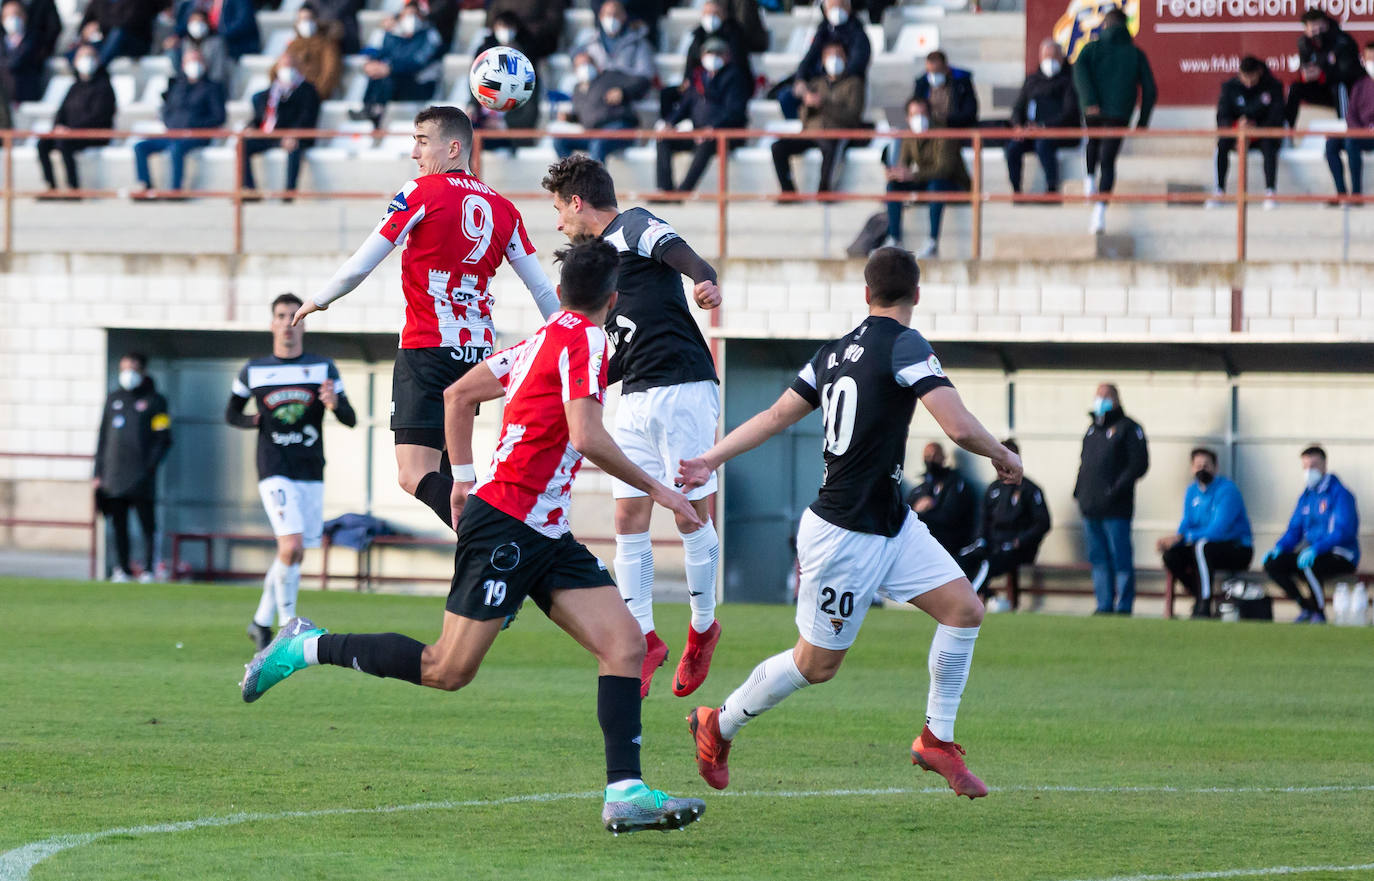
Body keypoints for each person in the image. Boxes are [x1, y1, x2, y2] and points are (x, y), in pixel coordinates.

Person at [241, 240, 707, 836]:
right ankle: (305, 646)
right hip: (508, 523)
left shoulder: (540, 340)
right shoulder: (589, 342)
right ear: (612, 301)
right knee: (447, 668)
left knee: (624, 645)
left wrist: (461, 479)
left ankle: (625, 793)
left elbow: (457, 394)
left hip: (543, 529)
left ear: (560, 293)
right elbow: (586, 436)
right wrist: (662, 491)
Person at [680, 246, 1021, 799]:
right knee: (815, 666)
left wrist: (708, 459)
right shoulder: (906, 344)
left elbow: (774, 416)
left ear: (866, 294)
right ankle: (718, 723)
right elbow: (957, 427)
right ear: (917, 293)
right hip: (843, 535)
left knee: (964, 609)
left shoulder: (832, 353)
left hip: (892, 523)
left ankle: (936, 738)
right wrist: (1003, 455)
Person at [291, 106, 559, 532]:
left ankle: (501, 537)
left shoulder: (421, 191)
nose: (414, 153)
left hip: (427, 348)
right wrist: (568, 337)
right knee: (453, 477)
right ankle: (487, 561)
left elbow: (363, 264)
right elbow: (542, 289)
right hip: (475, 354)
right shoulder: (504, 208)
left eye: (421, 142)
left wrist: (319, 300)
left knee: (413, 473)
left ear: (452, 148)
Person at [541, 155, 724, 700]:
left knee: (691, 514)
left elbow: (683, 254)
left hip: (683, 384)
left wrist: (705, 280)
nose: (557, 222)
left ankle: (702, 627)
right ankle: (644, 639)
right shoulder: (596, 263)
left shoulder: (633, 225)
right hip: (637, 393)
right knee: (627, 516)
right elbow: (621, 348)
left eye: (558, 208)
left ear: (578, 202)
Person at [228, 293, 356, 650]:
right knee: (291, 544)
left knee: (294, 552)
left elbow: (350, 418)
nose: (287, 322)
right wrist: (253, 420)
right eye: (281, 316)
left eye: (293, 316)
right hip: (273, 467)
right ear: (272, 323)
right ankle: (288, 625)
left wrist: (334, 404)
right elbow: (231, 412)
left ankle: (260, 622)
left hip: (310, 469)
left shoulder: (323, 368)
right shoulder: (253, 370)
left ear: (303, 324)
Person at [1072, 8, 1156, 235]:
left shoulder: (1091, 48)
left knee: (1093, 143)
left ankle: (1090, 182)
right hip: (1119, 114)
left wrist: (1089, 100)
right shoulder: (1135, 54)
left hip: (1093, 112)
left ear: (1106, 25)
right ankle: (1099, 209)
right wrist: (1142, 122)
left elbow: (1078, 70)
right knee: (1108, 160)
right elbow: (1150, 90)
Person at [94, 353, 172, 583]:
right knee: (118, 525)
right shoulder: (113, 399)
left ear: (143, 371)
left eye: (133, 368)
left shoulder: (155, 401)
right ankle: (122, 569)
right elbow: (103, 438)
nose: (128, 373)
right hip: (114, 475)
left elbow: (164, 438)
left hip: (141, 476)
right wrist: (98, 473)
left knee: (147, 525)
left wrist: (150, 467)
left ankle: (149, 569)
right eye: (124, 368)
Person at [1073, 382, 1149, 615]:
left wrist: (1114, 490)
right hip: (1090, 505)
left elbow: (1138, 464)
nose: (1100, 400)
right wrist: (1078, 491)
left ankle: (1124, 606)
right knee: (1098, 558)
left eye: (1105, 395)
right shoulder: (1092, 429)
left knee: (1120, 557)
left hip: (1116, 508)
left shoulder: (1129, 428)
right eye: (1098, 395)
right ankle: (1103, 605)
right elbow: (1084, 464)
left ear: (1116, 398)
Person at [1262, 446, 1360, 624]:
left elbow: (1343, 531)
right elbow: (1295, 530)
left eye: (1313, 466)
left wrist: (1316, 549)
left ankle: (1318, 613)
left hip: (1341, 554)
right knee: (1273, 564)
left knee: (1309, 565)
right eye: (1305, 467)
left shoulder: (1340, 494)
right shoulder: (1306, 497)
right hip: (1313, 553)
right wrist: (1280, 547)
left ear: (1324, 465)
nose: (1309, 471)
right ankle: (1305, 606)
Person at [1156, 448, 1253, 619]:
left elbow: (1218, 530)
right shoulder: (1191, 491)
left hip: (1237, 549)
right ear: (1192, 468)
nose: (1202, 469)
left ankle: (1204, 606)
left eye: (1206, 465)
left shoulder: (1227, 490)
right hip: (1205, 549)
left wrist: (1185, 537)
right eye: (1198, 465)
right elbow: (1187, 522)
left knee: (1202, 546)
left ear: (1216, 467)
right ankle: (1198, 595)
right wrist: (1175, 540)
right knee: (1171, 556)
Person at [957, 438, 1050, 603]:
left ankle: (968, 601)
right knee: (961, 559)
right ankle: (984, 597)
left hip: (1017, 548)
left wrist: (1019, 541)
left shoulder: (1029, 489)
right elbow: (983, 519)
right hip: (992, 544)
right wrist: (981, 540)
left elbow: (1043, 523)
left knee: (987, 564)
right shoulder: (993, 489)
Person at [655, 37, 750, 195]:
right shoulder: (698, 76)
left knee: (706, 144)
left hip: (725, 134)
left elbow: (734, 111)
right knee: (664, 139)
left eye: (718, 53)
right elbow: (685, 105)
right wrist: (670, 123)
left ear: (727, 56)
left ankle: (683, 192)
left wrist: (713, 128)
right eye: (709, 53)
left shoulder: (735, 77)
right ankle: (664, 190)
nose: (713, 57)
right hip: (699, 132)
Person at [773, 41, 865, 197]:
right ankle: (788, 191)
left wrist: (823, 104)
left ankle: (824, 192)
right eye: (830, 55)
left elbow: (852, 117)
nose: (834, 59)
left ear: (846, 58)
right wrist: (807, 105)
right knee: (778, 147)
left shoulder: (854, 84)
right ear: (823, 59)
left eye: (838, 55)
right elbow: (803, 118)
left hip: (835, 133)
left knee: (830, 149)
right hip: (811, 132)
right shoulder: (816, 83)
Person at [131, 48, 227, 197]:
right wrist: (171, 124)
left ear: (204, 64)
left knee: (176, 149)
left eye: (197, 60)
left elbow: (219, 117)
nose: (194, 64)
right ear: (183, 65)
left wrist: (193, 125)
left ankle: (176, 190)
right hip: (173, 133)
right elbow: (166, 110)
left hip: (197, 135)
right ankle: (146, 187)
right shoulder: (177, 86)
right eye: (190, 61)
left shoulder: (212, 87)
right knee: (140, 147)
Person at [884, 96, 969, 259]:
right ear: (907, 118)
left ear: (930, 115)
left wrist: (912, 175)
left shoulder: (943, 134)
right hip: (925, 180)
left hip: (953, 183)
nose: (919, 119)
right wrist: (896, 173)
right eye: (914, 115)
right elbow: (904, 163)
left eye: (922, 114)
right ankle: (894, 239)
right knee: (893, 186)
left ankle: (932, 243)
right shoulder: (909, 135)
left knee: (936, 186)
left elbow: (944, 170)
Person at [37, 44, 115, 197]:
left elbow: (98, 116)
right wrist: (59, 126)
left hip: (93, 134)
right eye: (82, 56)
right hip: (70, 133)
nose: (86, 60)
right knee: (43, 144)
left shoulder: (104, 87)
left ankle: (73, 187)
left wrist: (72, 130)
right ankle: (51, 186)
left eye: (90, 56)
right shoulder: (75, 86)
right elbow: (61, 111)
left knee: (65, 143)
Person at [350, 3, 443, 129]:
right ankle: (368, 108)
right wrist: (373, 64)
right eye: (406, 14)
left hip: (420, 85)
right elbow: (381, 53)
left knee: (387, 76)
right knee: (378, 73)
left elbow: (417, 63)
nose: (410, 18)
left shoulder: (430, 35)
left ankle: (376, 112)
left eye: (413, 14)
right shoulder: (395, 33)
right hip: (396, 83)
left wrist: (390, 68)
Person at [241, 50, 320, 198]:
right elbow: (261, 118)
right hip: (271, 135)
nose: (287, 69)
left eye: (290, 65)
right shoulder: (270, 93)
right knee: (242, 145)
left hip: (296, 136)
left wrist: (293, 134)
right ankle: (249, 189)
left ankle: (289, 192)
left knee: (294, 147)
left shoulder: (308, 91)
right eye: (284, 66)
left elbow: (307, 117)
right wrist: (250, 127)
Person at [1005, 39, 1079, 197]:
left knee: (1043, 144)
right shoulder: (1032, 80)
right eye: (1046, 56)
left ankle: (1051, 189)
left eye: (1053, 56)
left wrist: (1044, 127)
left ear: (1061, 57)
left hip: (1059, 133)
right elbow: (1018, 108)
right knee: (1012, 147)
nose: (1049, 61)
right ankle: (1016, 191)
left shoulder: (1070, 80)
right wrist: (1018, 126)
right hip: (1031, 132)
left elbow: (1070, 113)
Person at [1213, 56, 1283, 211]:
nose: (1249, 83)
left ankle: (1270, 192)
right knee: (1222, 143)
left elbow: (1277, 117)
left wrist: (1255, 127)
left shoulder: (1273, 86)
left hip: (1262, 133)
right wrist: (1237, 126)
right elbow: (1222, 116)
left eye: (1252, 78)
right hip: (1238, 133)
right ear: (1240, 74)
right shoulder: (1230, 87)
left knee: (1269, 144)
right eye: (1245, 78)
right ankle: (1219, 191)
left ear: (1259, 72)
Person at [552, 50, 647, 164]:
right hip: (593, 132)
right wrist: (569, 117)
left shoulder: (610, 76)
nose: (584, 68)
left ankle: (595, 176)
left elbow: (642, 82)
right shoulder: (577, 89)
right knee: (560, 141)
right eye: (580, 65)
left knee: (598, 143)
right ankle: (572, 173)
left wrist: (623, 92)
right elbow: (586, 116)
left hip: (620, 128)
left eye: (587, 63)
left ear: (595, 65)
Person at [781, 0, 869, 119]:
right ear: (826, 10)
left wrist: (832, 78)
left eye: (840, 5)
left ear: (848, 7)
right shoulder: (823, 30)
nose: (837, 10)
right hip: (819, 82)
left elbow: (857, 65)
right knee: (787, 97)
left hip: (845, 84)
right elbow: (809, 58)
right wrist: (800, 79)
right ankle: (806, 125)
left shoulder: (858, 34)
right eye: (833, 6)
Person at [1285, 10, 1361, 128]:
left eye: (1320, 28)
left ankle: (1345, 127)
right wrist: (1306, 74)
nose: (1317, 33)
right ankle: (1287, 128)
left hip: (1348, 90)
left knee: (1339, 87)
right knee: (1295, 87)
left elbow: (1348, 72)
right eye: (1313, 30)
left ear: (1326, 24)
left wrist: (1323, 74)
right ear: (1306, 30)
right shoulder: (1304, 43)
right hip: (1322, 89)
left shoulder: (1342, 41)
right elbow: (1305, 67)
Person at [907, 441, 976, 556]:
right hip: (921, 543)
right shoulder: (920, 488)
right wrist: (919, 511)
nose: (931, 459)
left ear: (944, 457)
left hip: (948, 545)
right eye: (927, 456)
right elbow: (905, 513)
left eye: (935, 455)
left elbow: (949, 517)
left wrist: (923, 512)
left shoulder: (956, 484)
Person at [1324, 41, 1374, 199]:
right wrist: (1358, 130)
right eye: (1368, 58)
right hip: (1360, 133)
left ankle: (1356, 194)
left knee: (1351, 142)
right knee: (1331, 144)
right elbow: (1350, 114)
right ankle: (1341, 194)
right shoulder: (1360, 84)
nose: (1371, 62)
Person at [574, 1, 655, 84]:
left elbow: (645, 74)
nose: (611, 18)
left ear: (624, 16)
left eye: (615, 15)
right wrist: (581, 61)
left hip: (625, 88)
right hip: (598, 88)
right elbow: (574, 54)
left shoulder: (638, 42)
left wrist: (624, 90)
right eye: (608, 14)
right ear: (600, 16)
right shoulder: (589, 41)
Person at [78, 0, 165, 67]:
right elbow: (84, 24)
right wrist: (87, 30)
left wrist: (99, 25)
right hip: (109, 43)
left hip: (136, 43)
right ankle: (77, 71)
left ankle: (99, 68)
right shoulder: (99, 2)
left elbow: (127, 22)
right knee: (85, 48)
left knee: (118, 33)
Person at [282, 4, 341, 99]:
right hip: (292, 94)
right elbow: (279, 67)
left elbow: (331, 72)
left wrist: (316, 94)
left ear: (316, 20)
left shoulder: (327, 44)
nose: (305, 23)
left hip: (313, 95)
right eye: (302, 19)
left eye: (308, 19)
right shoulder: (293, 45)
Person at [164, 8, 232, 88]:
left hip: (210, 86)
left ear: (207, 23)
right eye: (194, 21)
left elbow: (218, 71)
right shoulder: (184, 42)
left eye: (201, 21)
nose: (197, 24)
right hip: (188, 85)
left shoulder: (217, 42)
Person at [910, 51, 978, 130]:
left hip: (956, 128)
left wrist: (946, 121)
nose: (933, 75)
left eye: (937, 71)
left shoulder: (961, 82)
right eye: (930, 72)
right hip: (929, 129)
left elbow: (969, 111)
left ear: (946, 68)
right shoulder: (922, 84)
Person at [486, 0, 565, 67]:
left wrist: (522, 30)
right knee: (488, 48)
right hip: (504, 34)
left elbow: (553, 21)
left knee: (525, 51)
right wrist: (501, 26)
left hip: (536, 38)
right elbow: (491, 18)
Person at [173, 0, 259, 60]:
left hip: (232, 46)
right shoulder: (198, 3)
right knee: (180, 49)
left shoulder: (239, 2)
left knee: (216, 44)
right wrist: (176, 36)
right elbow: (187, 23)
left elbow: (244, 23)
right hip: (204, 43)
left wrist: (219, 36)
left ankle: (216, 80)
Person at [0, 0, 48, 102]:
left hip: (26, 96)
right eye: (7, 16)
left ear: (24, 16)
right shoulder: (2, 42)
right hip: (4, 98)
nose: (12, 19)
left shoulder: (34, 39)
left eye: (16, 14)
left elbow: (16, 62)